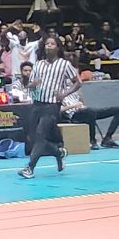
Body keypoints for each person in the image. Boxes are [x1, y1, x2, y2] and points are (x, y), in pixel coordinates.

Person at [19, 35, 79, 179]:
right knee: (32, 138)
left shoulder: (64, 64)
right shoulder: (38, 64)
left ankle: (30, 168)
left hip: (52, 105)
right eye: (47, 44)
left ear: (58, 47)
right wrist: (31, 84)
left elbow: (77, 83)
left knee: (40, 134)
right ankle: (59, 152)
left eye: (52, 44)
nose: (49, 46)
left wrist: (64, 94)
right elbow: (28, 84)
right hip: (37, 103)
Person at [61, 85, 119, 149]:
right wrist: (74, 106)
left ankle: (107, 138)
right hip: (73, 115)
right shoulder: (58, 93)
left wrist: (81, 99)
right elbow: (60, 110)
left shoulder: (74, 89)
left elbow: (82, 102)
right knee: (90, 111)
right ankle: (92, 141)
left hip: (86, 111)